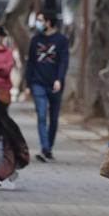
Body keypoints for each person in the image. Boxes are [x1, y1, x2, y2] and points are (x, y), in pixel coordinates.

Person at [25, 11, 69, 162]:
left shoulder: (62, 40)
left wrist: (59, 79)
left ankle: (49, 147)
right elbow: (30, 62)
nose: (38, 23)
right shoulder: (35, 40)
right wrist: (28, 83)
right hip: (38, 83)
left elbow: (64, 61)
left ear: (49, 23)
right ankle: (45, 148)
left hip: (55, 84)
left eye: (40, 20)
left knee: (54, 118)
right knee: (42, 116)